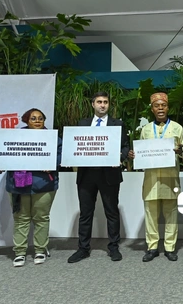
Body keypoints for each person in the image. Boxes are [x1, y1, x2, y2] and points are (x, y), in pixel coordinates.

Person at [68, 92, 130, 263]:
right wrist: (69, 157)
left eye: (106, 102)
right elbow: (75, 146)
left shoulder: (118, 124)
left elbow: (125, 147)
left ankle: (113, 247)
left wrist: (119, 157)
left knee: (112, 212)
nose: (103, 105)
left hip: (109, 175)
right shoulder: (83, 124)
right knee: (86, 213)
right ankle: (83, 248)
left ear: (109, 105)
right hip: (86, 175)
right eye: (99, 102)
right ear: (93, 104)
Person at [0, 108, 61, 267]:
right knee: (21, 218)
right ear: (27, 121)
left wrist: (52, 164)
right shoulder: (13, 138)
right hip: (18, 185)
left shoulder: (53, 139)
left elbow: (60, 156)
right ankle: (20, 252)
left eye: (40, 118)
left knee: (41, 218)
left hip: (44, 184)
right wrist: (0, 163)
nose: (38, 121)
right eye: (33, 118)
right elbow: (5, 153)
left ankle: (40, 250)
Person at [128, 92, 183, 262]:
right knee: (150, 214)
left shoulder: (177, 128)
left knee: (171, 213)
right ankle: (152, 247)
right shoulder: (146, 130)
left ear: (168, 107)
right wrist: (134, 155)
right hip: (151, 179)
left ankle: (170, 248)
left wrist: (181, 153)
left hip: (170, 178)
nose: (160, 108)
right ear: (152, 109)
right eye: (157, 105)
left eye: (163, 105)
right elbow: (141, 153)